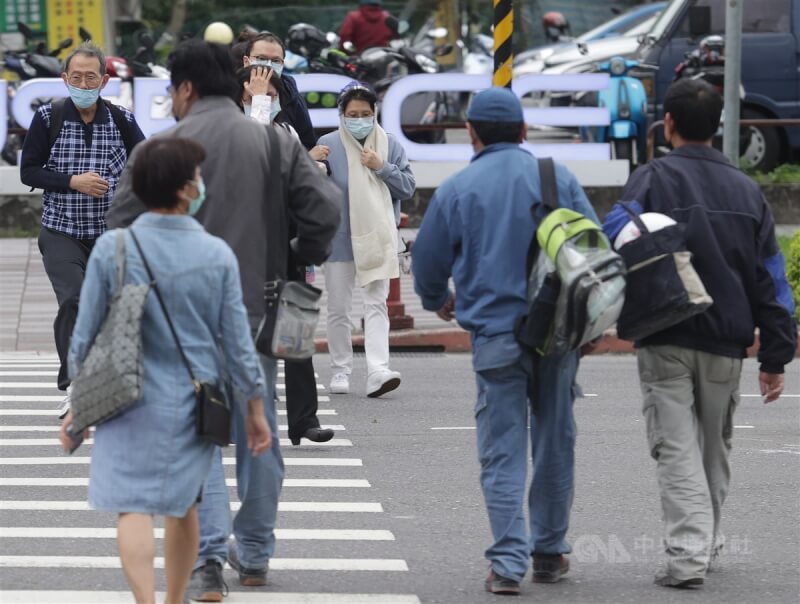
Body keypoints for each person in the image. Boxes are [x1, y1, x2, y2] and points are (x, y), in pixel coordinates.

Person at [105, 39, 341, 601]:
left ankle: (208, 560)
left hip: (179, 319)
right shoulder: (272, 143)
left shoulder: (163, 149)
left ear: (185, 88)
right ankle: (254, 552)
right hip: (261, 305)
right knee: (258, 428)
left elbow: (118, 230)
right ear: (235, 87)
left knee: (199, 438)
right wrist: (295, 252)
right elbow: (325, 211)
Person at [58, 137, 272, 604]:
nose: (200, 186)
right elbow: (237, 343)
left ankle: (145, 601)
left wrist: (79, 404)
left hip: (122, 399)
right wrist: (254, 409)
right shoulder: (216, 254)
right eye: (196, 178)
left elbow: (85, 334)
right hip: (191, 403)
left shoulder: (114, 247)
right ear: (181, 189)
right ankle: (175, 598)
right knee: (184, 506)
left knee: (131, 508)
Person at [602, 78, 797, 589]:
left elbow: (612, 243)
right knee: (713, 447)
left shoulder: (649, 180)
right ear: (718, 128)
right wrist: (775, 356)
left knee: (676, 448)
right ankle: (703, 544)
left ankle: (688, 556)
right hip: (727, 343)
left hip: (664, 335)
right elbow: (771, 279)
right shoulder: (746, 190)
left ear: (667, 125)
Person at [412, 88, 597, 595]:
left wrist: (437, 300)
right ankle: (550, 551)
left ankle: (508, 563)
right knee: (556, 439)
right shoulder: (555, 177)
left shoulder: (459, 187)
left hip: (495, 336)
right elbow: (592, 247)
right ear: (523, 131)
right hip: (558, 334)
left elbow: (427, 263)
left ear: (470, 133)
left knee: (502, 450)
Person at [19, 41, 145, 418]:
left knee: (111, 310)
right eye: (77, 76)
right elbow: (29, 171)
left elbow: (145, 165)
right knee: (73, 301)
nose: (84, 83)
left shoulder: (121, 119)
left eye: (91, 76)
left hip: (110, 233)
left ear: (105, 80)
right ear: (64, 79)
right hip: (61, 230)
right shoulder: (47, 118)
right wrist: (72, 181)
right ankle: (75, 384)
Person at [237, 64, 334, 445]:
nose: (265, 99)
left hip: (287, 242)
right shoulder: (233, 127)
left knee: (296, 334)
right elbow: (257, 161)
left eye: (272, 94)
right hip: (245, 246)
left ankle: (304, 421)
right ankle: (240, 415)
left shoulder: (287, 130)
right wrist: (257, 101)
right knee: (247, 336)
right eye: (256, 93)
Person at [317, 82, 415, 398]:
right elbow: (312, 190)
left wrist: (381, 167)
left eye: (365, 114)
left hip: (379, 237)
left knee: (376, 305)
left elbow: (407, 188)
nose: (359, 119)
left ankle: (378, 370)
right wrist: (311, 162)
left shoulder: (390, 145)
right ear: (342, 115)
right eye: (352, 114)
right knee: (339, 308)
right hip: (339, 238)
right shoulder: (328, 145)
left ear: (375, 114)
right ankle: (341, 369)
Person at [242, 32, 318, 151]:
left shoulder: (290, 94)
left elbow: (307, 143)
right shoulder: (231, 92)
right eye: (261, 58)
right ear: (246, 61)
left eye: (276, 61)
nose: (269, 65)